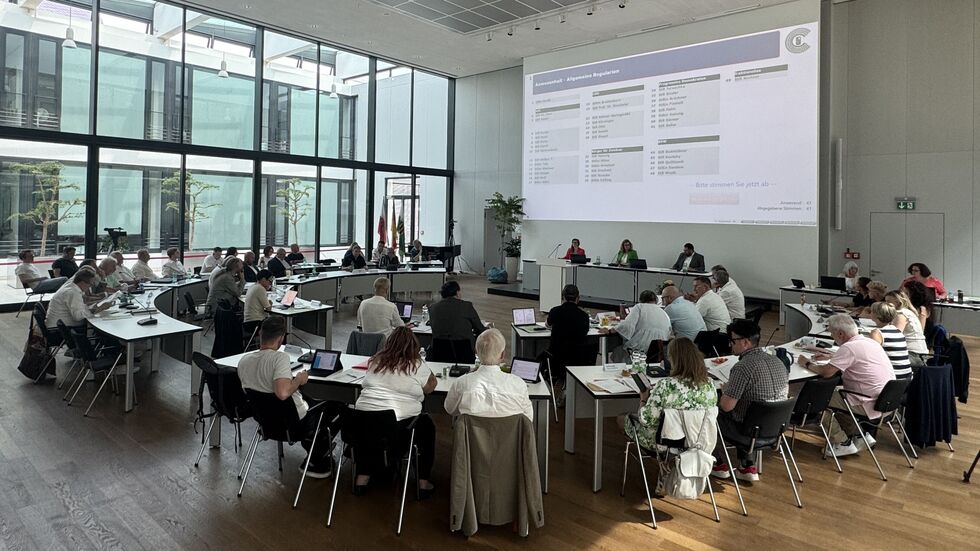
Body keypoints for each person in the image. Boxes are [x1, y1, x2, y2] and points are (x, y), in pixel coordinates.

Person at [237, 317, 333, 478]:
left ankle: (314, 450)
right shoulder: (279, 358)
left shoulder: (244, 361)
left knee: (311, 400)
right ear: (281, 338)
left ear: (260, 334)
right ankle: (317, 457)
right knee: (335, 408)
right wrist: (299, 380)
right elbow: (282, 393)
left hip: (266, 422)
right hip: (293, 423)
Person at [353, 327, 437, 496]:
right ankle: (423, 481)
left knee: (369, 432)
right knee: (427, 425)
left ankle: (362, 478)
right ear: (413, 346)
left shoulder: (375, 361)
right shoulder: (417, 364)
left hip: (361, 425)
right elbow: (429, 387)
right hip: (396, 434)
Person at [798, 314, 895, 457]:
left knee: (815, 399)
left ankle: (842, 443)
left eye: (831, 333)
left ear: (841, 334)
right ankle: (860, 435)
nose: (832, 336)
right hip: (887, 401)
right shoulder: (870, 342)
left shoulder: (849, 348)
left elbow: (826, 373)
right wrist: (833, 357)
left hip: (867, 403)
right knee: (838, 396)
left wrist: (805, 363)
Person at [711, 319, 788, 481]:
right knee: (748, 406)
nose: (730, 345)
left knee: (709, 410)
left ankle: (716, 462)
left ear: (745, 342)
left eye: (732, 341)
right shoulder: (778, 361)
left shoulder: (743, 367)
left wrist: (726, 391)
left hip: (747, 431)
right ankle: (747, 464)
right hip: (775, 429)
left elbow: (726, 407)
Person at [623, 337, 717, 451]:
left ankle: (662, 461)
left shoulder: (666, 385)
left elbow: (646, 420)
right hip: (699, 438)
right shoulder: (710, 384)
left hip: (666, 441)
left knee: (623, 418)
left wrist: (643, 399)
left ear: (674, 360)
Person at [444, 328, 533, 421]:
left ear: (476, 353)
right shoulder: (519, 384)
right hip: (510, 435)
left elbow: (450, 409)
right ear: (503, 355)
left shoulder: (461, 383)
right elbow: (528, 419)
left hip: (472, 435)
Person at [546, 284, 591, 395]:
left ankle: (555, 384)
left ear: (563, 297)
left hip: (556, 357)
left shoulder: (555, 311)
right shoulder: (584, 316)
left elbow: (547, 325)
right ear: (578, 298)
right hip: (578, 358)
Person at [604, 290, 671, 362]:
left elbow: (627, 326)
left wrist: (610, 330)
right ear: (656, 300)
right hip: (659, 350)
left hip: (640, 349)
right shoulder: (663, 312)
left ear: (640, 300)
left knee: (617, 351)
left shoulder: (639, 307)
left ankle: (621, 371)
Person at [45, 269, 112, 329]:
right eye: (90, 284)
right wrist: (99, 308)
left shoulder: (71, 287)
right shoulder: (73, 293)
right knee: (99, 325)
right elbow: (78, 317)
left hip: (59, 325)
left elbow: (79, 307)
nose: (90, 286)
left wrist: (94, 306)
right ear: (82, 283)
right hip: (61, 330)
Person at [868, 302, 914, 379]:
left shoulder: (877, 333)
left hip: (891, 377)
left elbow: (870, 355)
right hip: (907, 377)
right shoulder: (898, 331)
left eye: (871, 311)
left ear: (876, 315)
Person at [883, 290, 928, 366]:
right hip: (919, 353)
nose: (885, 304)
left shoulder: (901, 314)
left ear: (898, 302)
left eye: (888, 302)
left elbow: (894, 336)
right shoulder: (908, 312)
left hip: (913, 355)